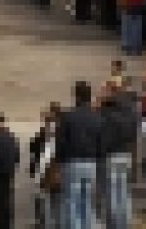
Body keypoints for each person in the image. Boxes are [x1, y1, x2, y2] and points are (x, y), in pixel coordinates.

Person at [57, 81, 102, 229]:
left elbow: (61, 141)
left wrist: (59, 161)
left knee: (71, 202)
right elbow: (101, 141)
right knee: (86, 202)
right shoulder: (96, 117)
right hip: (91, 163)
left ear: (76, 96)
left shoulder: (68, 116)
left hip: (72, 162)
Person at [99, 82, 139, 229]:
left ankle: (114, 224)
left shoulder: (106, 113)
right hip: (126, 154)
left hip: (111, 155)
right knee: (124, 191)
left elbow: (103, 137)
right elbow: (134, 133)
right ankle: (125, 223)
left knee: (112, 193)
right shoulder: (130, 111)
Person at [0, 113, 19, 229]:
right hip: (8, 173)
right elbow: (16, 156)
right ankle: (7, 224)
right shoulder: (11, 137)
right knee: (7, 199)